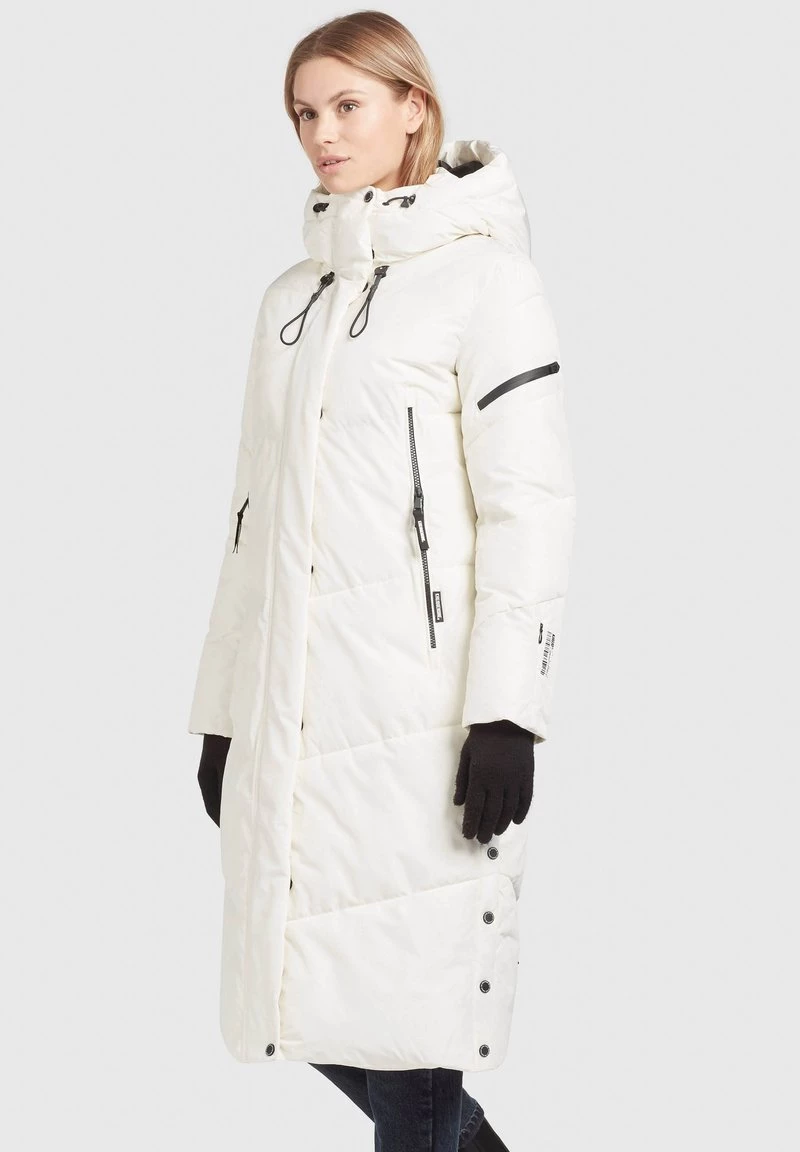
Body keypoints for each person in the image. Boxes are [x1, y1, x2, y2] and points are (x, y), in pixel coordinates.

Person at [190, 10, 576, 1152]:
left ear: (414, 107)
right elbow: (249, 525)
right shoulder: (289, 302)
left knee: (413, 1020)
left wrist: (507, 712)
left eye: (347, 105)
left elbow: (529, 508)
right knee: (298, 997)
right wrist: (222, 714)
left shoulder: (486, 283)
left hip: (421, 719)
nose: (322, 133)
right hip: (293, 713)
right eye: (304, 113)